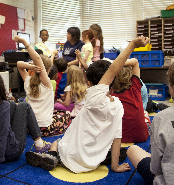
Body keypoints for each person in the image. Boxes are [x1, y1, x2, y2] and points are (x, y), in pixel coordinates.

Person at [25, 35, 149, 173]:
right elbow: (117, 137)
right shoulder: (118, 106)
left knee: (57, 143)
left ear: (89, 83)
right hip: (92, 161)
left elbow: (112, 69)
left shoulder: (93, 97)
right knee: (117, 150)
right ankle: (108, 159)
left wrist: (132, 44)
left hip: (70, 156)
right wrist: (115, 166)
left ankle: (52, 155)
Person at [127, 62, 174, 185]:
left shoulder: (161, 118)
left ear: (172, 88)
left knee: (133, 150)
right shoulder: (138, 86)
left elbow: (155, 169)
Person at [15, 36, 71, 136]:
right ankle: (56, 132)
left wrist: (31, 67)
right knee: (66, 114)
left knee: (55, 113)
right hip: (45, 128)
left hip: (30, 128)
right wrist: (24, 42)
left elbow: (19, 64)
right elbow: (37, 59)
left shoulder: (27, 81)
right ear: (48, 71)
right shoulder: (47, 84)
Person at [111, 58, 149, 143]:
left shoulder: (110, 94)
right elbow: (135, 61)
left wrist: (112, 65)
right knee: (145, 114)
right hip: (141, 136)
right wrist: (117, 63)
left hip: (118, 138)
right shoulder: (136, 87)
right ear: (130, 74)